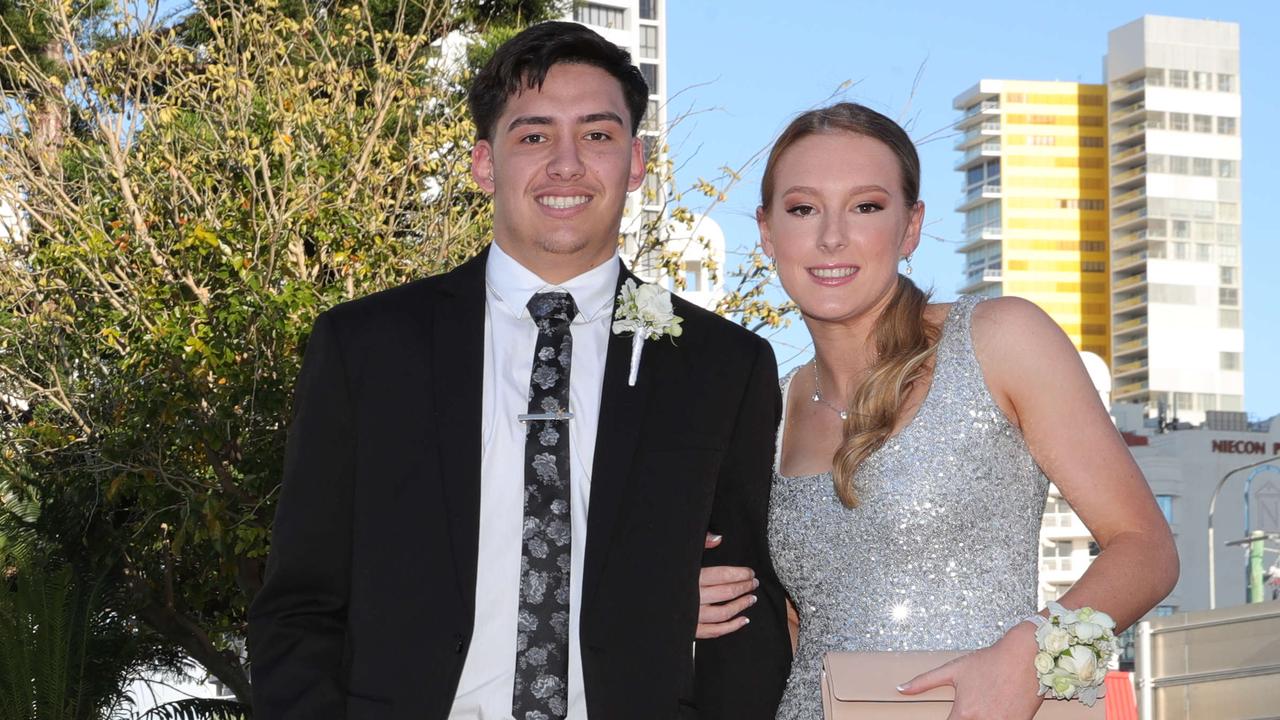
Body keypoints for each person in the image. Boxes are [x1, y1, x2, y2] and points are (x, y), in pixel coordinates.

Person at [247, 21, 791, 720]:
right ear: (483, 163)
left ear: (636, 162)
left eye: (597, 135)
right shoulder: (365, 348)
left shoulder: (723, 363)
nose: (566, 164)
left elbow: (745, 624)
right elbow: (300, 602)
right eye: (534, 136)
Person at [698, 102, 1179, 719]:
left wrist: (1032, 658)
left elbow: (1146, 550)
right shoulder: (767, 408)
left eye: (866, 206)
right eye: (803, 208)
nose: (832, 236)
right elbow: (786, 623)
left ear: (912, 226)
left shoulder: (999, 339)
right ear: (767, 232)